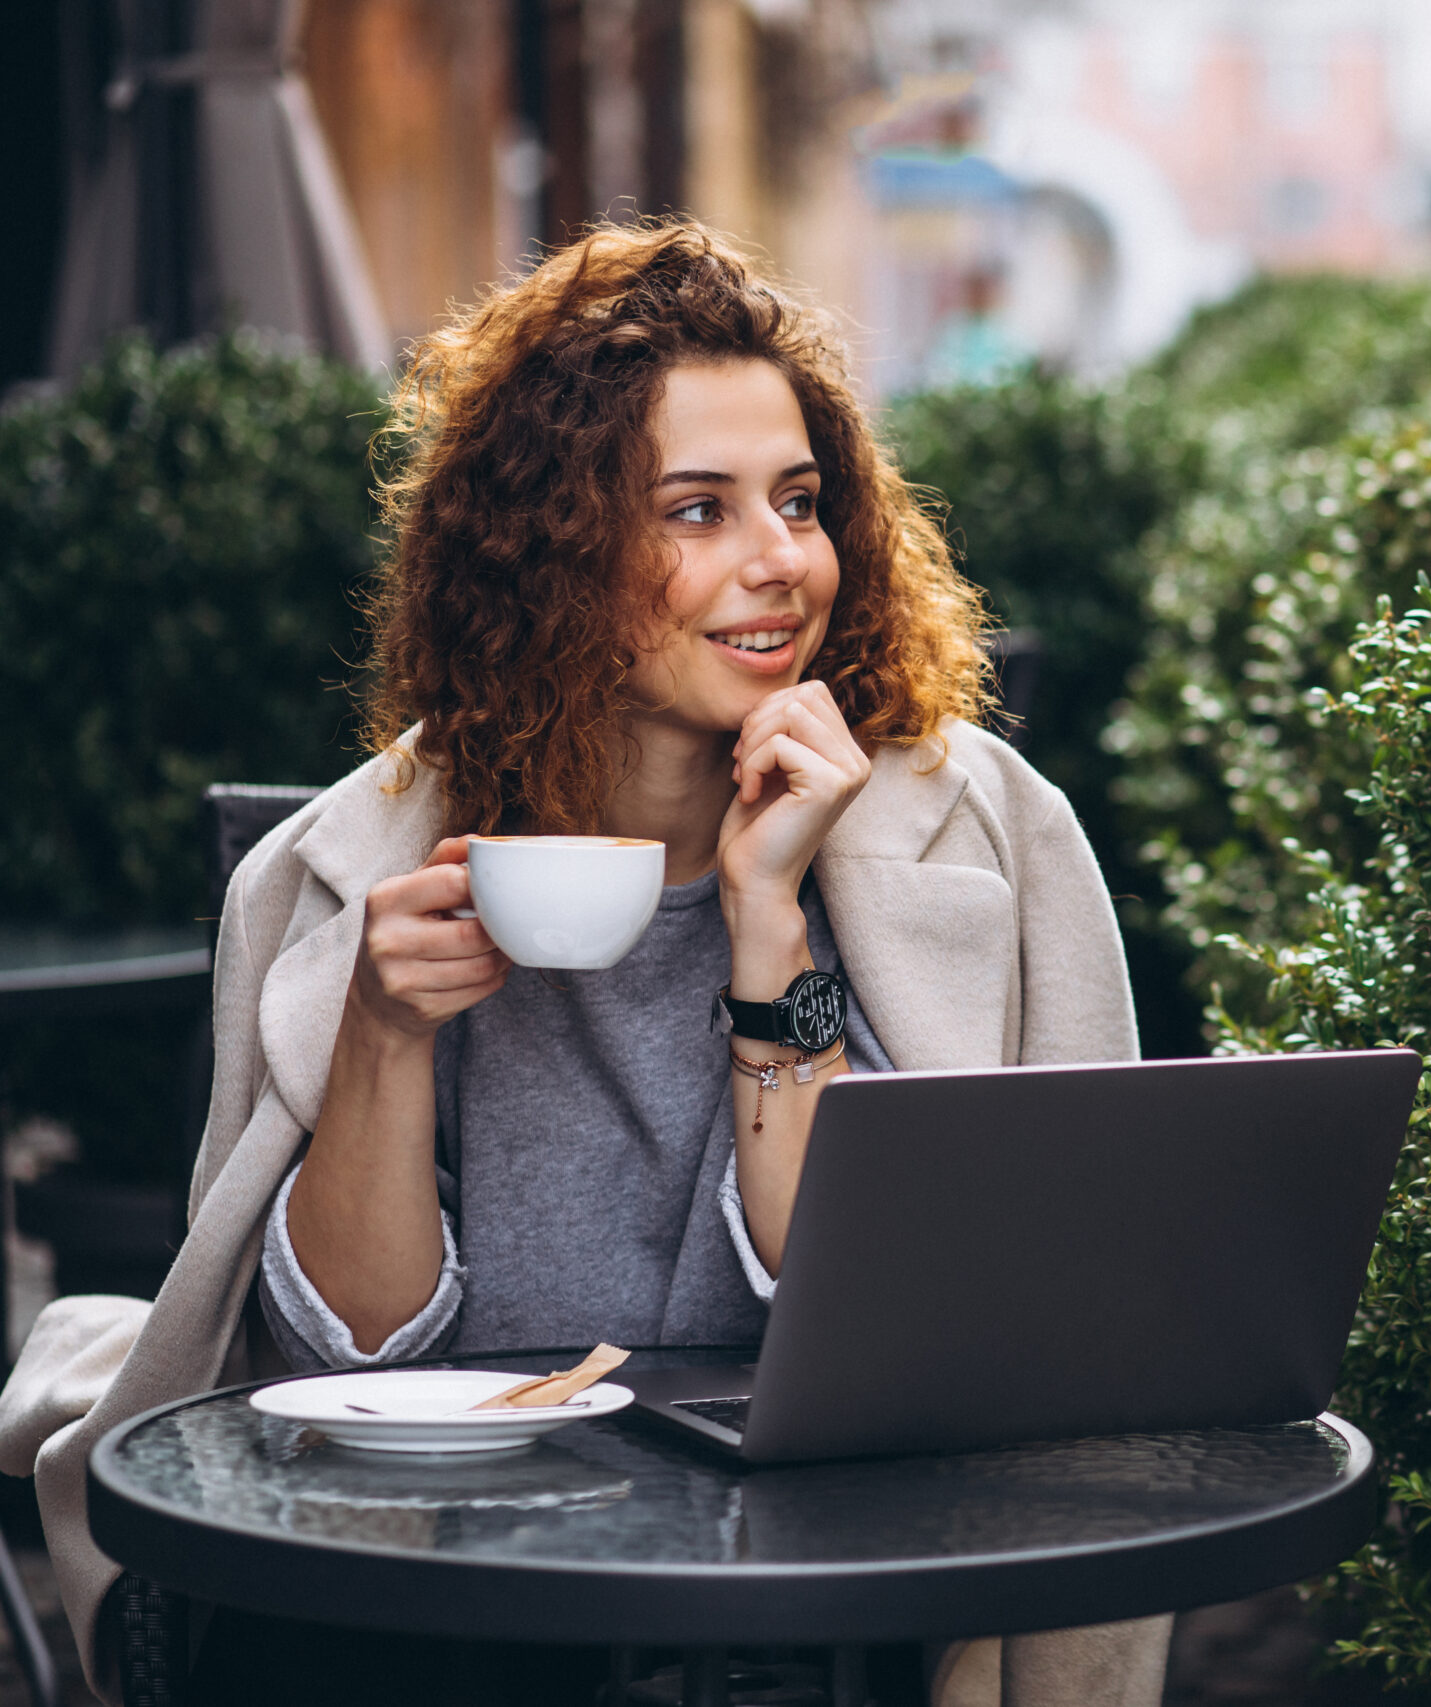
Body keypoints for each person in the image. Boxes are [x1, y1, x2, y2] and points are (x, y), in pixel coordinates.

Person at [0, 222, 1164, 1707]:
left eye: (801, 502)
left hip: (826, 1574)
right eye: (697, 510)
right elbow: (325, 1369)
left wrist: (770, 918)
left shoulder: (969, 832)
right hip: (440, 1585)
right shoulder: (348, 867)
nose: (778, 563)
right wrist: (378, 1032)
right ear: (554, 550)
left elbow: (895, 1321)